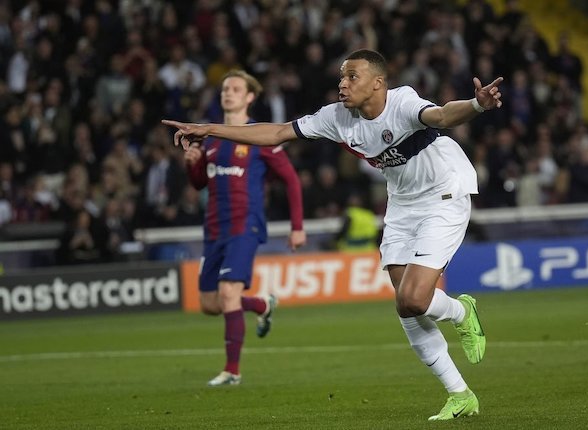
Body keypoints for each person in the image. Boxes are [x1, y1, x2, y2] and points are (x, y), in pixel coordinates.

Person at [163, 49, 502, 420]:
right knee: (405, 307)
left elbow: (441, 115)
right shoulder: (336, 117)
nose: (343, 83)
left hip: (444, 192)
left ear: (378, 83)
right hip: (403, 204)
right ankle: (460, 394)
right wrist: (209, 129)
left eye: (352, 76)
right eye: (341, 77)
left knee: (416, 298)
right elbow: (276, 132)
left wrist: (477, 105)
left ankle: (460, 311)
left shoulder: (402, 102)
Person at [182, 70, 306, 387]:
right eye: (225, 88)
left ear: (250, 97)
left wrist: (296, 226)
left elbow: (291, 179)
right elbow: (199, 184)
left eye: (236, 89)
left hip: (244, 224)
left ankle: (232, 371)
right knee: (211, 304)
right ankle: (262, 305)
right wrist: (192, 162)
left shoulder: (259, 136)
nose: (229, 93)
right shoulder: (210, 138)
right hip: (213, 229)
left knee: (227, 293)